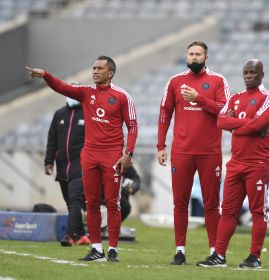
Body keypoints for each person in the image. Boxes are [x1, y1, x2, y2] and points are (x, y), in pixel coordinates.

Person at [26, 55, 138, 262]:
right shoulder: (86, 93)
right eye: (93, 68)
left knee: (113, 204)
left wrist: (128, 154)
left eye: (99, 68)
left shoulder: (122, 96)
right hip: (89, 156)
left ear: (110, 73)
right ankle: (96, 249)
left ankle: (113, 249)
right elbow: (62, 88)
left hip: (112, 156)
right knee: (92, 202)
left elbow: (132, 126)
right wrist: (46, 76)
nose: (94, 71)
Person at [196, 59, 269, 269]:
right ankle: (219, 255)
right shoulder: (235, 97)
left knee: (257, 211)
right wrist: (247, 124)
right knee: (228, 211)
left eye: (253, 72)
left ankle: (254, 257)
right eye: (246, 73)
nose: (249, 76)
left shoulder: (268, 98)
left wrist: (236, 126)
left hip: (258, 163)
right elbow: (221, 122)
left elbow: (258, 124)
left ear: (261, 74)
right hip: (236, 163)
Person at [157, 41, 230, 265]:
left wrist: (199, 98)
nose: (194, 57)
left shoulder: (218, 80)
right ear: (186, 57)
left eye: (198, 54)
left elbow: (225, 110)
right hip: (182, 152)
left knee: (211, 204)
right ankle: (180, 251)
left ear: (206, 57)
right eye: (191, 54)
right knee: (180, 202)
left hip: (210, 152)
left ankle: (215, 252)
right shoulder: (175, 81)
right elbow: (164, 113)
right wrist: (161, 145)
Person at [45, 96, 90, 246]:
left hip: (80, 164)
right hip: (62, 165)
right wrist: (49, 161)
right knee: (69, 201)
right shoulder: (59, 114)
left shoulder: (87, 113)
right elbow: (52, 139)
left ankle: (69, 236)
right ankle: (82, 235)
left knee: (74, 198)